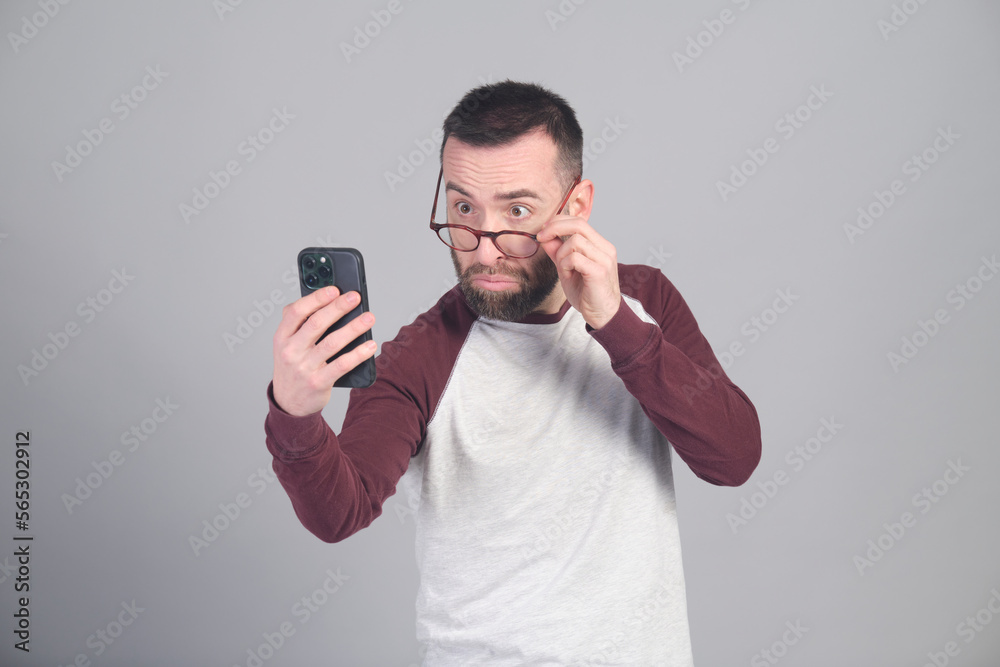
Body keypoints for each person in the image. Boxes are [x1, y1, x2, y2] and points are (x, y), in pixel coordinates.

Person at [265, 80, 761, 665]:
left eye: (517, 212)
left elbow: (733, 458)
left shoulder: (644, 301)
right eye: (463, 209)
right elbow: (338, 513)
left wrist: (614, 323)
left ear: (575, 208)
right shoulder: (421, 356)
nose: (483, 251)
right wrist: (295, 415)